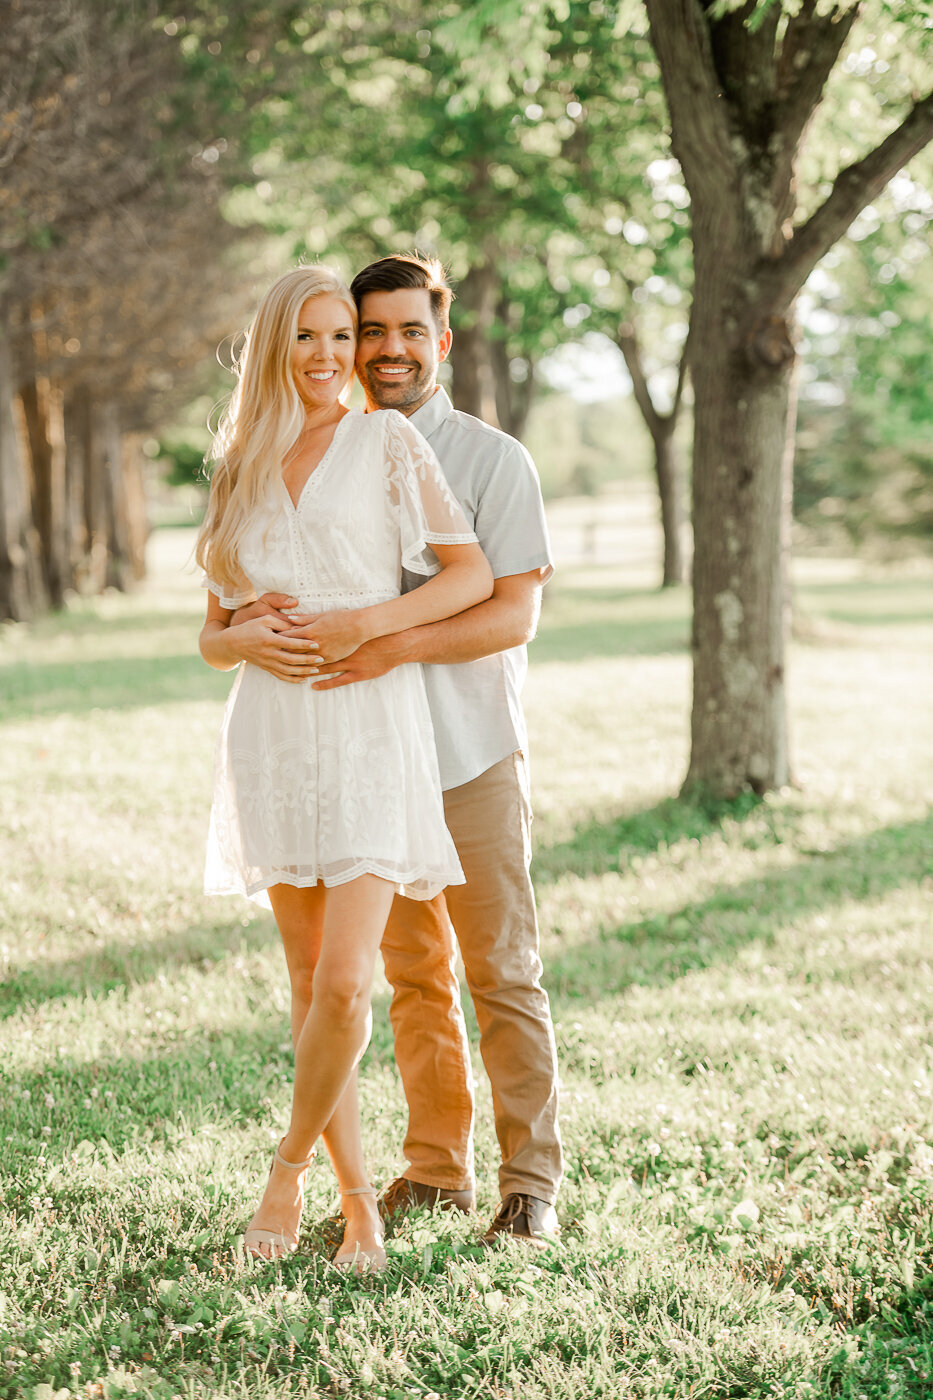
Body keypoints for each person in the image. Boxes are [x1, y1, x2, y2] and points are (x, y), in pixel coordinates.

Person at [231, 254, 563, 1246]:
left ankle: (531, 1182)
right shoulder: (319, 446)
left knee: (499, 966)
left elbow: (513, 613)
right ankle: (434, 1168)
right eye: (369, 331)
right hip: (360, 757)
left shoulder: (492, 460)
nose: (385, 349)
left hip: (465, 751)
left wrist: (382, 641)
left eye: (407, 331)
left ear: (442, 341)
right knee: (411, 974)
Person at [195, 265, 493, 1268]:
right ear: (275, 347)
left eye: (340, 337)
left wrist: (369, 620)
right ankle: (358, 1201)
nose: (328, 357)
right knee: (304, 975)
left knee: (346, 982)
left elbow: (471, 574)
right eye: (308, 338)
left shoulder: (387, 441)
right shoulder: (238, 463)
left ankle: (285, 1171)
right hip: (273, 734)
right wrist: (244, 642)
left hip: (367, 723)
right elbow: (211, 634)